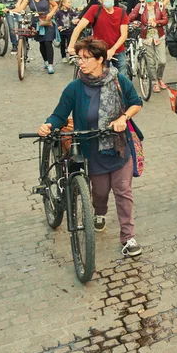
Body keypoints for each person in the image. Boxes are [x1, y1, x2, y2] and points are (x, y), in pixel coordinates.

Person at [39, 37, 144, 258]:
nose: (81, 63)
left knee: (123, 192)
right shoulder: (74, 88)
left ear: (100, 59)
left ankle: (128, 238)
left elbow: (136, 103)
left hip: (119, 147)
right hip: (91, 150)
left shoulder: (119, 81)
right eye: (79, 58)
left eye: (86, 58)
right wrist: (48, 124)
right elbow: (59, 115)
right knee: (100, 193)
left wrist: (123, 118)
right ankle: (99, 212)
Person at [67, 0, 130, 75]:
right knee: (99, 76)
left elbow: (124, 35)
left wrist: (113, 49)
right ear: (100, 0)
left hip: (118, 50)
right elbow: (79, 28)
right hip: (99, 50)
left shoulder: (121, 12)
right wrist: (71, 46)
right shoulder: (94, 9)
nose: (109, 0)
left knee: (122, 78)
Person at [14, 0, 59, 74]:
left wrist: (51, 14)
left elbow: (55, 5)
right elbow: (20, 8)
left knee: (48, 42)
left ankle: (50, 65)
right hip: (36, 23)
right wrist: (9, 10)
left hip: (47, 21)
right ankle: (45, 61)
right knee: (42, 43)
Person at [129, 0, 169, 93]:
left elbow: (165, 19)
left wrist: (157, 22)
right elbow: (131, 16)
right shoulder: (140, 6)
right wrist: (125, 22)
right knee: (150, 62)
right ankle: (155, 82)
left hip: (159, 36)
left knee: (162, 61)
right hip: (146, 37)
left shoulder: (160, 5)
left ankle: (159, 77)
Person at [55, 0, 78, 64]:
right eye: (68, 2)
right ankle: (63, 56)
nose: (70, 4)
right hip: (62, 31)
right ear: (63, 3)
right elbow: (55, 20)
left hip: (69, 30)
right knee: (62, 44)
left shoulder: (70, 10)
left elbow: (76, 15)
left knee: (70, 43)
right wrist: (58, 26)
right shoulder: (59, 12)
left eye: (70, 2)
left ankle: (71, 56)